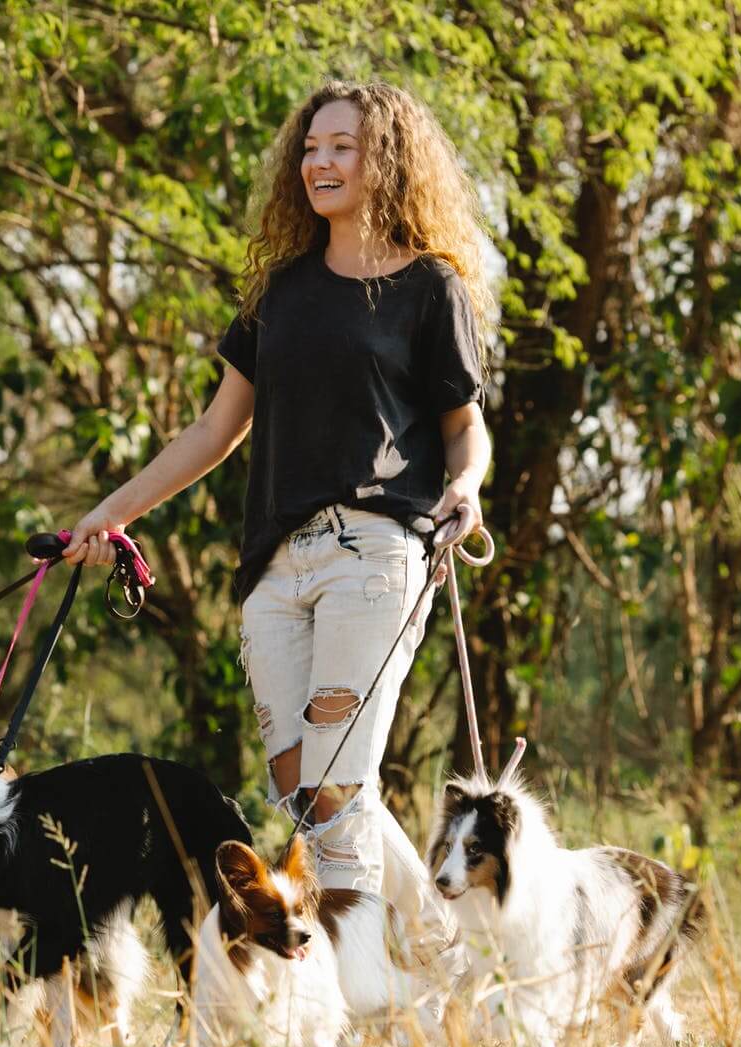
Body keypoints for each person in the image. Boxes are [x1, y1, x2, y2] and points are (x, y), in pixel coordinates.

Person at [62, 79, 494, 972]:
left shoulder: (429, 289)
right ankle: (438, 948)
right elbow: (217, 430)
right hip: (274, 566)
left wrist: (468, 488)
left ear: (389, 161)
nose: (320, 163)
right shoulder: (283, 292)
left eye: (342, 147)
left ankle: (359, 999)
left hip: (377, 552)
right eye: (310, 148)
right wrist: (109, 515)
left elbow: (465, 426)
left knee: (335, 788)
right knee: (310, 795)